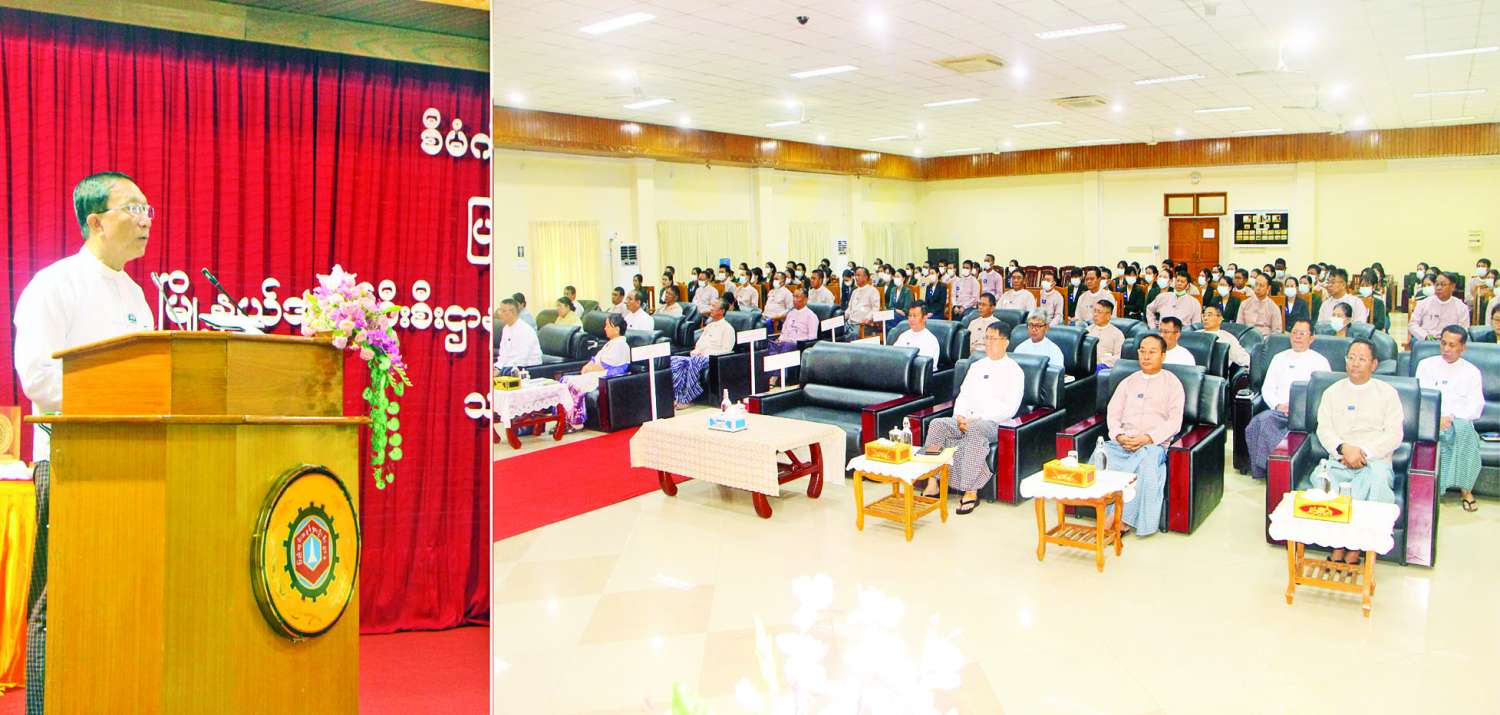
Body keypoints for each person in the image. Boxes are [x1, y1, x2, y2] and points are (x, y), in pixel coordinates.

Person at [13, 173, 158, 715]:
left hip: (133, 464)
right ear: (95, 221)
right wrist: (115, 398)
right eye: (132, 208)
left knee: (118, 597)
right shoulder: (54, 285)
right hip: (71, 463)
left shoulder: (136, 294)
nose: (145, 220)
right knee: (59, 600)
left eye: (148, 209)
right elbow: (38, 378)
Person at [915, 323, 1024, 514]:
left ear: (1005, 342)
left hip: (993, 423)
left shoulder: (1014, 371)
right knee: (937, 424)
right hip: (965, 418)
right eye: (986, 338)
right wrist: (959, 416)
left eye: (993, 339)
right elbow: (963, 395)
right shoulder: (976, 366)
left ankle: (971, 491)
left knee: (974, 430)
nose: (988, 343)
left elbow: (1010, 408)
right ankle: (933, 482)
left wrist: (976, 418)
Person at [1087, 334, 1185, 537]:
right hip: (1123, 442)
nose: (1146, 357)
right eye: (1142, 351)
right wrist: (1119, 436)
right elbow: (1113, 414)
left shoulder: (1172, 383)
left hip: (1153, 445)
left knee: (1145, 460)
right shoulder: (1128, 382)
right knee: (1101, 454)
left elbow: (1175, 422)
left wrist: (1148, 438)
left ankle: (1120, 520)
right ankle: (1101, 510)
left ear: (1163, 355)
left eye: (1152, 352)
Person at [1317, 340, 1404, 563]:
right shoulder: (1332, 392)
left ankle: (1356, 546)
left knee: (1375, 483)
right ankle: (1338, 543)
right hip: (1339, 460)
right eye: (1351, 358)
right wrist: (1344, 449)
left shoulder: (1387, 393)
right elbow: (1324, 430)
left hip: (1374, 461)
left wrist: (1362, 452)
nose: (1355, 363)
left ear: (1374, 364)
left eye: (1362, 359)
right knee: (1321, 482)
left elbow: (1394, 435)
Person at [1244, 319, 1330, 478]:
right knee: (1257, 423)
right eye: (1294, 332)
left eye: (1302, 333)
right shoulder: (1279, 358)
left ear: (1311, 338)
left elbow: (1323, 394)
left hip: (1305, 414)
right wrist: (1278, 405)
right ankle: (1268, 470)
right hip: (1279, 411)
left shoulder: (1320, 361)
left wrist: (1299, 409)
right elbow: (1267, 388)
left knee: (1272, 426)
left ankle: (1281, 471)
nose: (1297, 336)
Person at [1416, 326, 1484, 512]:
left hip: (1458, 420)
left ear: (1463, 348)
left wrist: (1451, 418)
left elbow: (1476, 406)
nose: (1446, 349)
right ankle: (1432, 490)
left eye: (1452, 345)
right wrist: (1436, 418)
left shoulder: (1472, 372)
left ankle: (1466, 490)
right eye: (1443, 343)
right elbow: (1420, 397)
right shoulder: (1426, 365)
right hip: (1430, 419)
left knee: (1464, 431)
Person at [560, 313, 632, 431]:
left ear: (617, 329)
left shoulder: (621, 345)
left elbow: (606, 365)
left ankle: (575, 422)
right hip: (597, 373)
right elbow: (595, 359)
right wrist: (587, 366)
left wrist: (590, 368)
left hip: (607, 376)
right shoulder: (610, 343)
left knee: (571, 383)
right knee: (565, 380)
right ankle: (564, 420)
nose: (605, 328)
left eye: (607, 326)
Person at [670, 298, 736, 407]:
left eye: (714, 307)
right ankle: (678, 397)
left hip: (713, 359)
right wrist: (696, 352)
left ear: (721, 311)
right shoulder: (709, 326)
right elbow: (699, 344)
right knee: (674, 360)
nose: (711, 309)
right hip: (699, 356)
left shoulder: (728, 329)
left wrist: (705, 353)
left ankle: (688, 399)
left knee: (696, 361)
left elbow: (726, 350)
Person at [1408, 272, 1469, 345]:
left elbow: (1463, 330)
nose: (1438, 288)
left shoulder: (1461, 307)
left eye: (1443, 284)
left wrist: (1448, 339)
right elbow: (1413, 324)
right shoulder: (1424, 303)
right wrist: (1425, 336)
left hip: (1450, 342)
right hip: (1426, 340)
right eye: (1436, 284)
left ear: (1453, 287)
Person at [768, 288, 818, 357]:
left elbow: (812, 339)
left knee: (785, 348)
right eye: (793, 296)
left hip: (796, 345)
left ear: (805, 300)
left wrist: (796, 342)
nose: (794, 299)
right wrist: (779, 340)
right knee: (766, 346)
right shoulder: (790, 313)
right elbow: (783, 331)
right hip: (782, 343)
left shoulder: (811, 316)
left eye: (797, 297)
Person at [495, 298, 542, 370]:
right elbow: (503, 353)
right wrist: (498, 367)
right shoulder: (506, 328)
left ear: (513, 312)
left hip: (528, 368)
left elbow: (521, 358)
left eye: (503, 311)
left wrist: (501, 370)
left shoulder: (525, 330)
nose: (500, 314)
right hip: (511, 365)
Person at [844, 267, 881, 340]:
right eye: (855, 275)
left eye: (858, 275)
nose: (856, 278)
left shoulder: (873, 291)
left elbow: (875, 309)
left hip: (864, 325)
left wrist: (868, 318)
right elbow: (849, 309)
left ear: (866, 277)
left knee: (853, 335)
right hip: (850, 323)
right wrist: (841, 317)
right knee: (836, 331)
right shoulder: (854, 291)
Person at [1086, 300, 1125, 368]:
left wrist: (1102, 361)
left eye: (1099, 312)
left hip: (1105, 368)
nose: (1095, 314)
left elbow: (1120, 356)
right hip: (1086, 365)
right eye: (1094, 311)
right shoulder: (1087, 331)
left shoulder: (1117, 334)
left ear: (1108, 316)